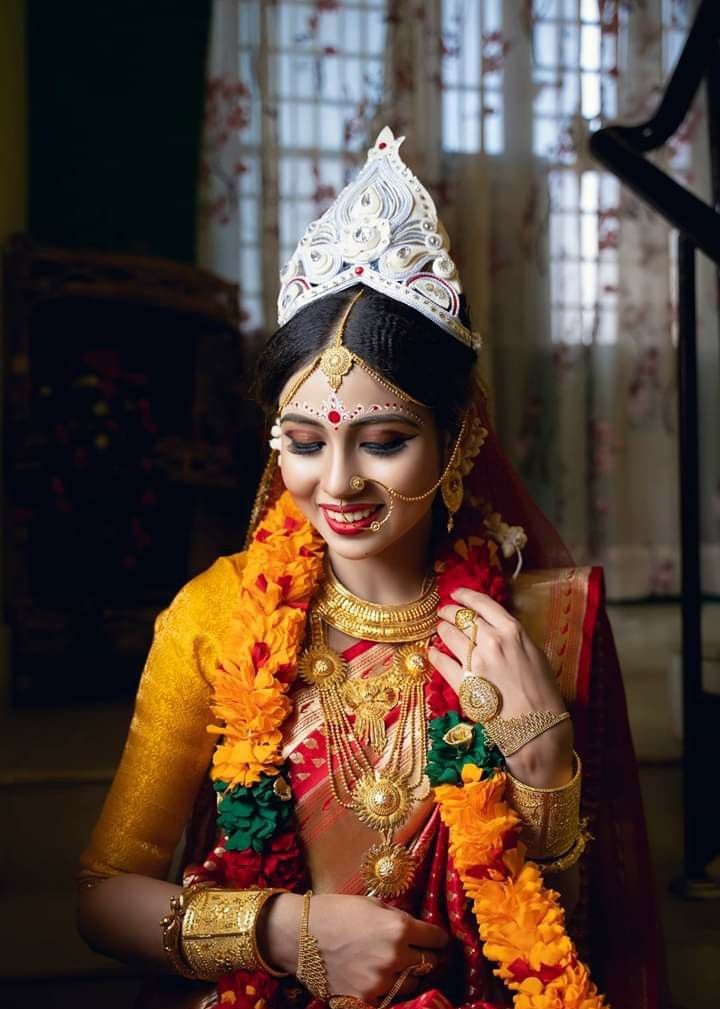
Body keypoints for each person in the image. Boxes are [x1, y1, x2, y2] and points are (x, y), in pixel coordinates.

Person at [77, 128, 666, 1009]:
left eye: (383, 441)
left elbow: (582, 942)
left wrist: (543, 766)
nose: (339, 482)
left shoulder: (536, 623)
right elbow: (101, 899)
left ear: (459, 436)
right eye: (306, 443)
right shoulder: (218, 615)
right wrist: (291, 932)